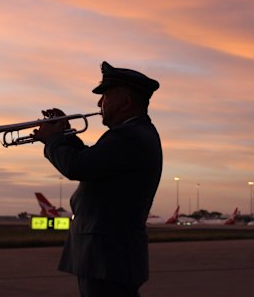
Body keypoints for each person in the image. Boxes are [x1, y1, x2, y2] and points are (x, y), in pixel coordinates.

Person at [33, 61, 162, 297]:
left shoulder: (129, 137)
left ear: (125, 101)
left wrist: (52, 140)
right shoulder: (132, 134)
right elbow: (92, 163)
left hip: (108, 256)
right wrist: (65, 134)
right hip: (108, 256)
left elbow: (76, 166)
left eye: (105, 96)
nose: (99, 103)